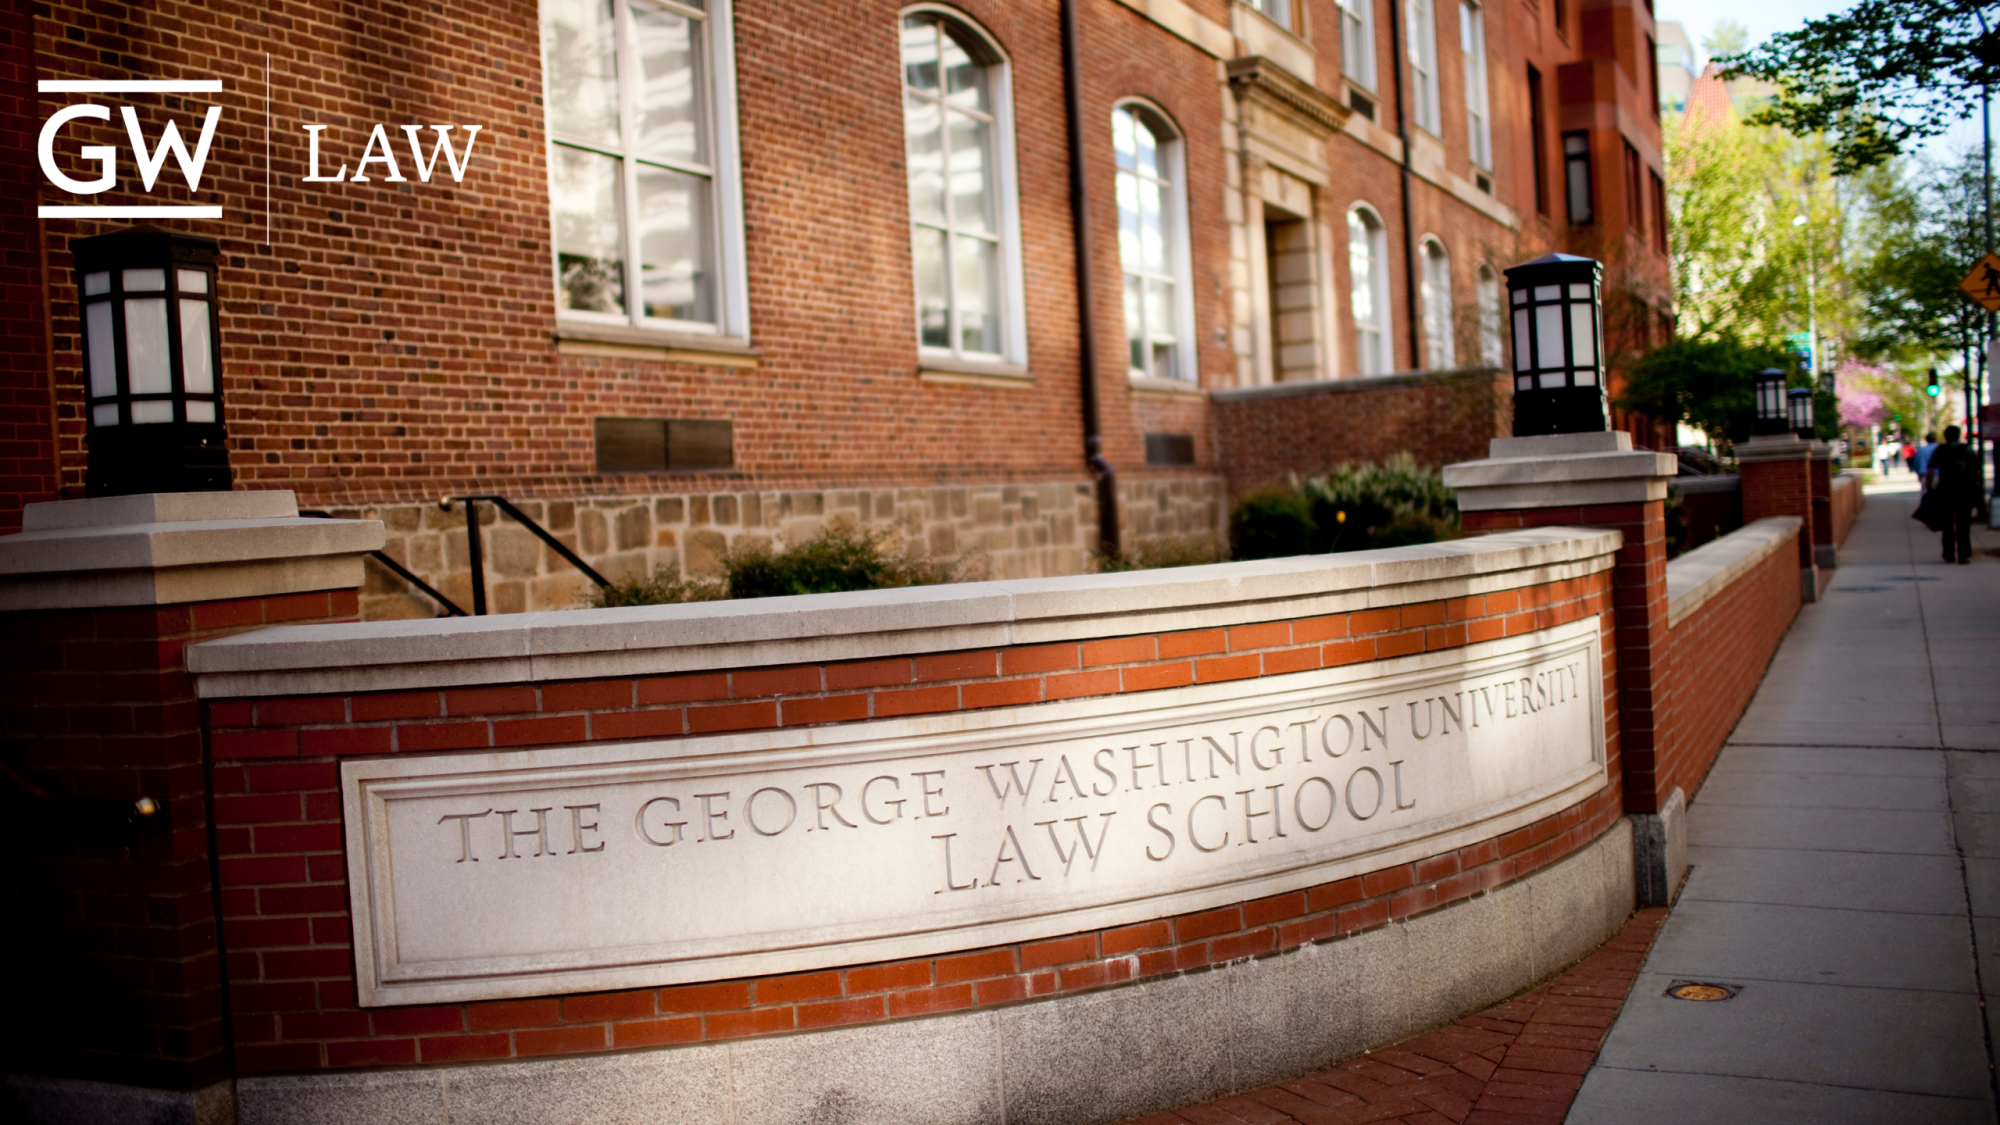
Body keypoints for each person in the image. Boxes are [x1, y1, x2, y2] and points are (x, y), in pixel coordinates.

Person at [1927, 425, 1980, 564]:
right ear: (1958, 435)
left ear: (1945, 436)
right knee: (1964, 523)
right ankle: (1964, 554)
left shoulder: (1940, 450)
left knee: (1947, 524)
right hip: (1965, 490)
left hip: (1946, 489)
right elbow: (1977, 470)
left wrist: (1929, 488)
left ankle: (1949, 554)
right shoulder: (1967, 449)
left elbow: (1931, 471)